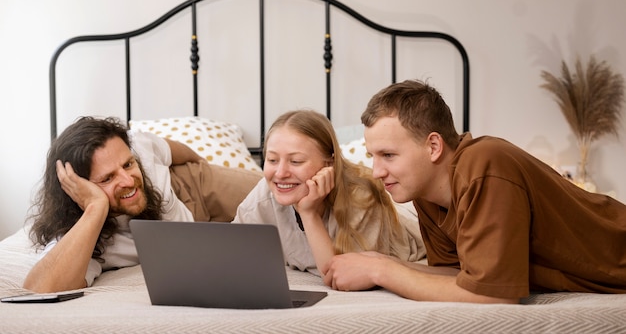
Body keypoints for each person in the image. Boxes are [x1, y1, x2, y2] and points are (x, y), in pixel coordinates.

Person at [323, 79, 626, 304]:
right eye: (373, 156)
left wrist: (380, 272)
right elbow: (459, 275)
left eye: (388, 155)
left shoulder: (485, 164)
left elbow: (493, 297)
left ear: (433, 146)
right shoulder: (425, 194)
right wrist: (382, 262)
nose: (377, 172)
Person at [24, 116, 262, 293]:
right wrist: (96, 208)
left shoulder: (137, 145)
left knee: (279, 192)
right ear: (78, 191)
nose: (128, 181)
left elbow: (178, 151)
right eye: (107, 178)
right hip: (191, 235)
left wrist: (207, 171)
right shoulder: (80, 235)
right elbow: (38, 289)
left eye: (128, 165)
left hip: (193, 186)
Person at [232, 109, 425, 277]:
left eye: (296, 161)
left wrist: (309, 213)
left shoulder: (361, 197)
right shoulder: (265, 193)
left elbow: (337, 276)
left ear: (329, 163)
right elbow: (228, 252)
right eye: (272, 160)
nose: (281, 173)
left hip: (409, 221)